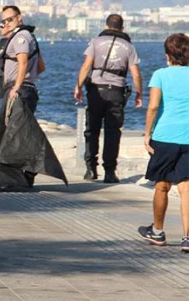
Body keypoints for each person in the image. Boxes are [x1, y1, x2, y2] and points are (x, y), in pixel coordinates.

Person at [0, 5, 67, 190]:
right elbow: (40, 67)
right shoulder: (18, 38)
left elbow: (23, 62)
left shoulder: (22, 37)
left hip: (20, 90)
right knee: (19, 133)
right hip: (24, 89)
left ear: (19, 18)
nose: (6, 23)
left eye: (10, 19)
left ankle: (22, 174)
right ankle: (22, 175)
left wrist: (17, 85)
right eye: (3, 21)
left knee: (15, 135)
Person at [74, 14, 142, 183]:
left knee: (92, 130)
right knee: (113, 132)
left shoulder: (95, 42)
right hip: (116, 91)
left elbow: (86, 66)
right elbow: (135, 73)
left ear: (106, 25)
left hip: (96, 90)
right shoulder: (128, 46)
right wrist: (139, 93)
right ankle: (110, 172)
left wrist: (78, 87)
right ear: (122, 27)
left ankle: (91, 169)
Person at [137, 33, 189, 253]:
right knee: (186, 188)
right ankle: (187, 237)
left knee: (162, 185)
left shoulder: (160, 75)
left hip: (165, 136)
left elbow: (153, 107)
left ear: (168, 54)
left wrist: (147, 133)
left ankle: (157, 232)